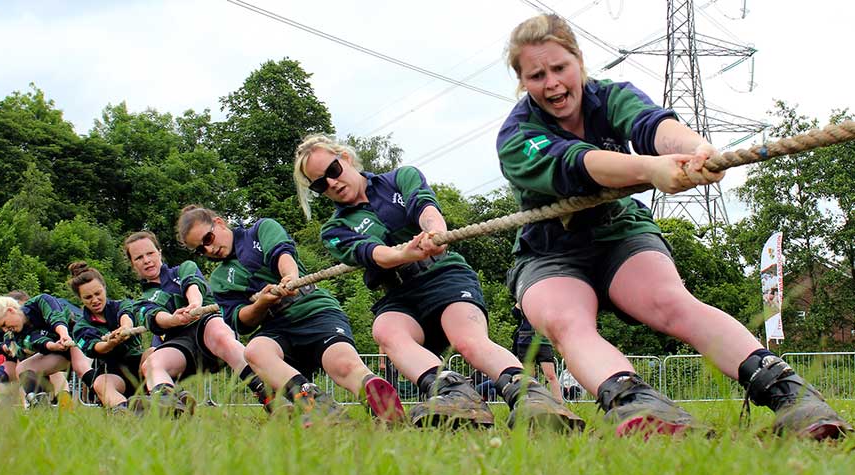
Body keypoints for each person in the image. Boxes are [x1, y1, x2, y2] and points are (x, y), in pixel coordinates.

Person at [496, 13, 851, 438]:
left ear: (579, 61)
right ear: (522, 83)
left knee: (671, 301)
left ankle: (793, 396)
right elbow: (578, 164)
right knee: (566, 322)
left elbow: (652, 126)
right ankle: (639, 407)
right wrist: (649, 167)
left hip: (619, 233)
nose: (552, 83)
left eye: (559, 68)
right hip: (549, 252)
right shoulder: (516, 136)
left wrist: (697, 150)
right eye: (536, 75)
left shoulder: (610, 97)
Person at [293, 134, 583, 430]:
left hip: (444, 274)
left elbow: (425, 207)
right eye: (319, 184)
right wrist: (401, 253)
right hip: (398, 293)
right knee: (385, 330)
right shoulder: (334, 229)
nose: (331, 183)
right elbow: (369, 252)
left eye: (332, 171)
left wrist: (436, 232)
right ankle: (453, 393)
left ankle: (531, 397)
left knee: (468, 340)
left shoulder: (400, 177)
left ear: (345, 158)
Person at [175, 206, 405, 423]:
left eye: (208, 239)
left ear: (219, 223)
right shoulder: (218, 278)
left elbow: (283, 254)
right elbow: (240, 321)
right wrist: (261, 303)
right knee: (254, 350)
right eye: (200, 249)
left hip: (314, 309)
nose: (208, 249)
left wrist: (289, 277)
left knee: (343, 365)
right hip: (276, 328)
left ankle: (376, 396)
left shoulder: (261, 229)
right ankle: (318, 406)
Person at [123, 231, 262, 416]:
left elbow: (193, 285)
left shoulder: (184, 268)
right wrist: (173, 319)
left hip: (207, 325)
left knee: (221, 335)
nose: (147, 260)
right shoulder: (141, 301)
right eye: (139, 257)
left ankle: (268, 393)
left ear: (159, 252)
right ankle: (170, 406)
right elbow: (155, 317)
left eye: (150, 253)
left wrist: (194, 304)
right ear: (133, 264)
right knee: (151, 363)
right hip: (179, 343)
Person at [0, 292, 93, 408]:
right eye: (1, 328)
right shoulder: (15, 336)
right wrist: (53, 345)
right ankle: (40, 406)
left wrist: (63, 334)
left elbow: (55, 316)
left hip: (79, 337)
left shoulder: (40, 301)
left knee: (80, 367)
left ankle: (107, 398)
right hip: (58, 349)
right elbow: (38, 342)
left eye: (4, 324)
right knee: (22, 368)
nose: (5, 330)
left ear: (11, 310)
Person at [68, 262, 144, 413]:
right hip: (112, 371)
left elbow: (127, 315)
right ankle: (126, 412)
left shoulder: (121, 305)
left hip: (139, 364)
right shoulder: (81, 326)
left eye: (98, 293)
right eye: (88, 297)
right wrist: (111, 343)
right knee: (100, 383)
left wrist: (125, 328)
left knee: (154, 353)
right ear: (80, 299)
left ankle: (165, 397)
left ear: (104, 288)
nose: (95, 300)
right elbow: (95, 348)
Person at [510, 305, 564, 403]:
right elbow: (515, 314)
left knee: (550, 375)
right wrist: (520, 302)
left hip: (543, 342)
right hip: (525, 342)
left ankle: (559, 404)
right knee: (529, 376)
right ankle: (532, 403)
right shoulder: (523, 298)